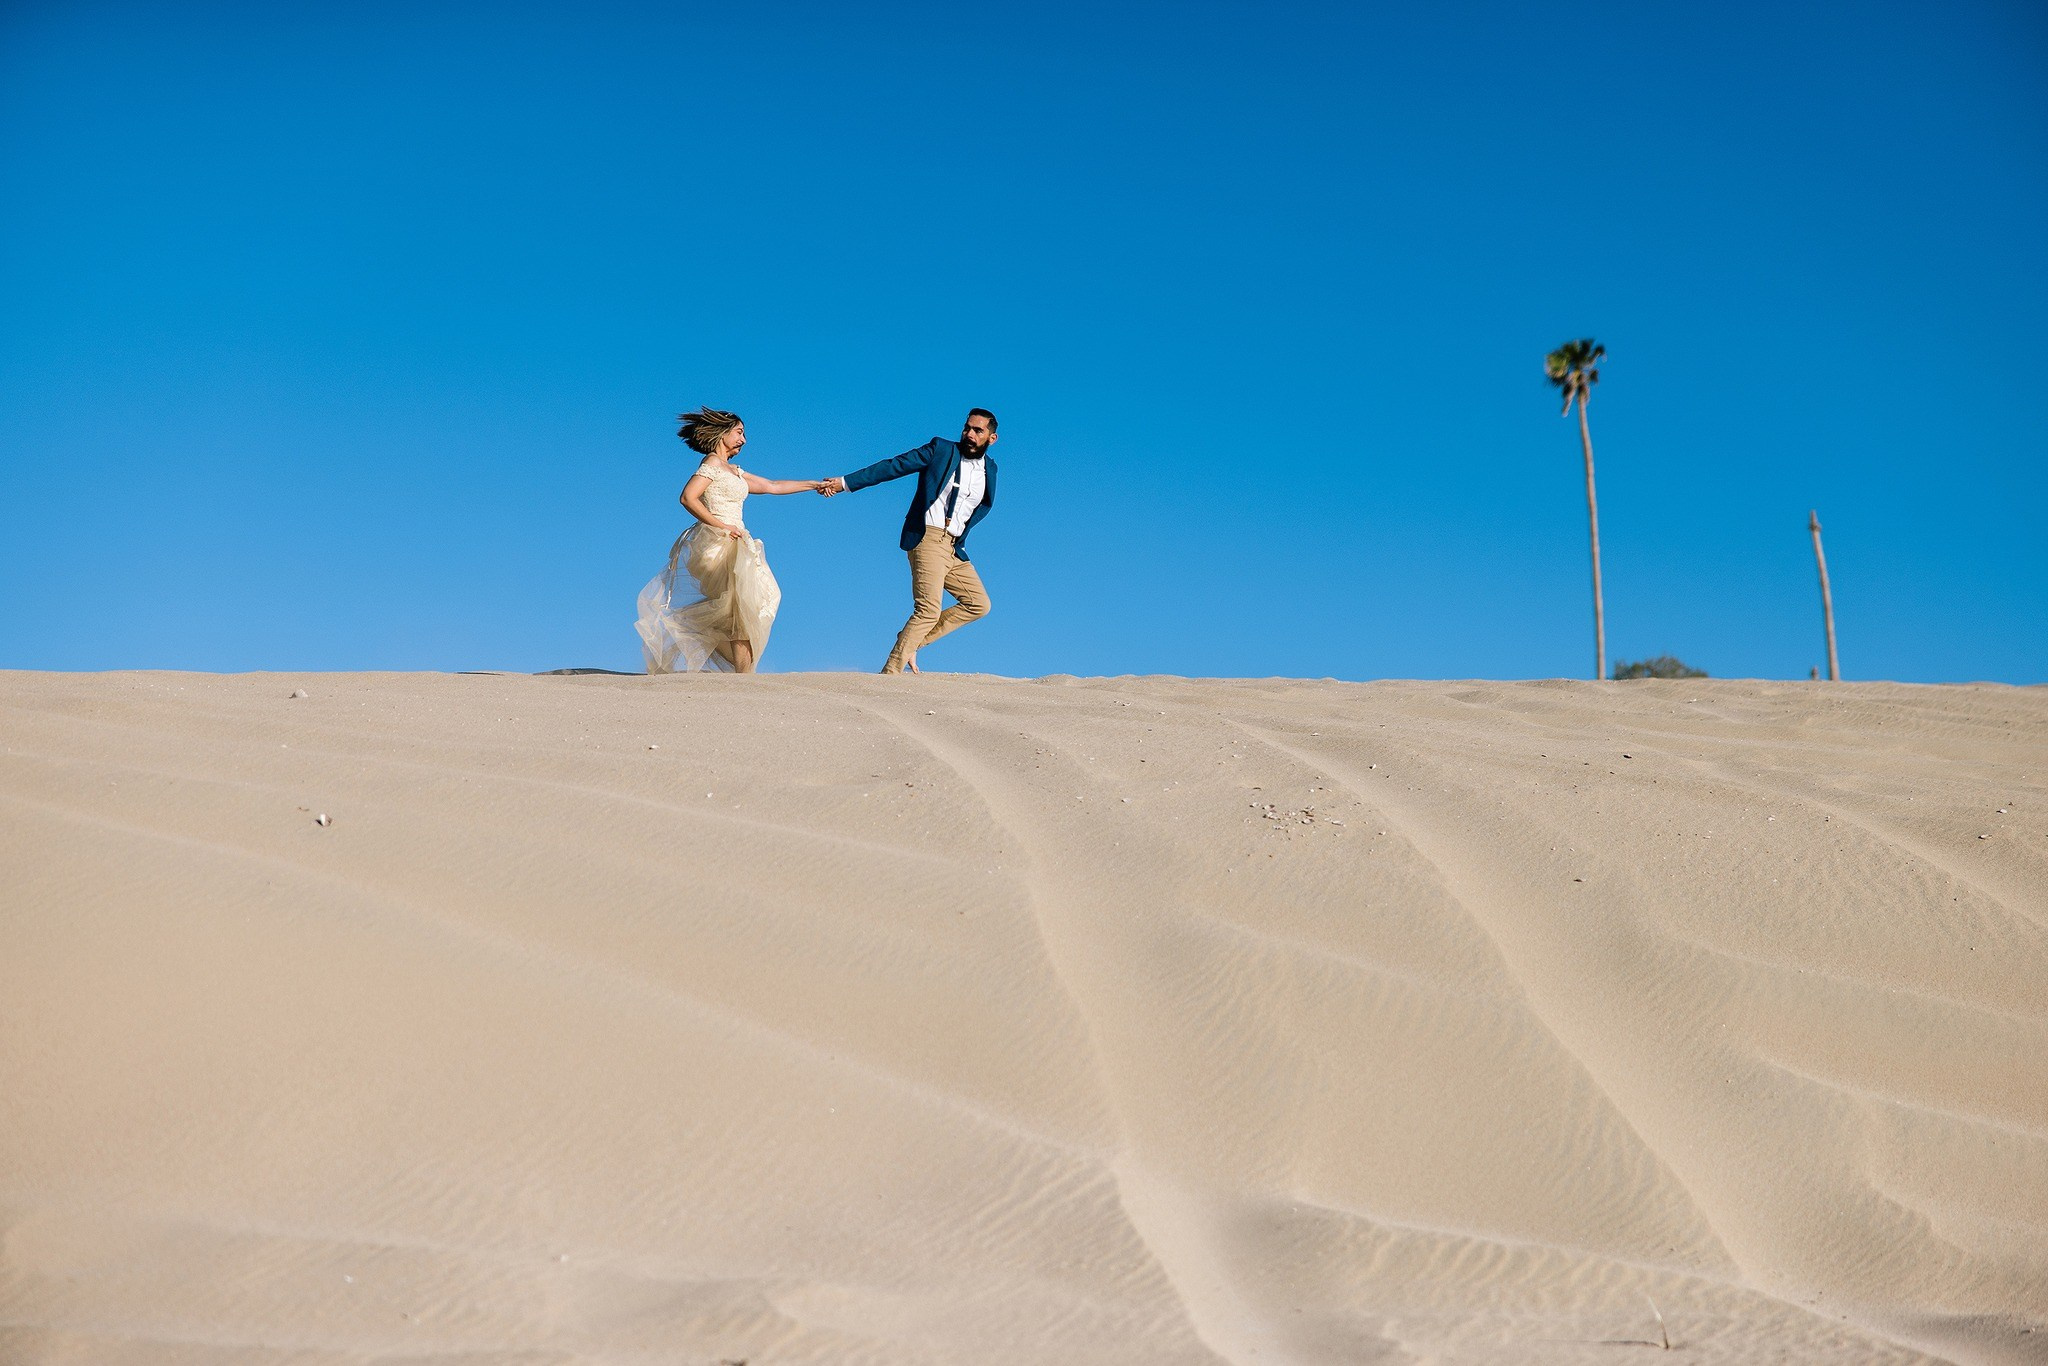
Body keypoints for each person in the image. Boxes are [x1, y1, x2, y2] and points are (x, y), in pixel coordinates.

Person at [636, 407, 827, 674]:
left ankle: (742, 673)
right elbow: (688, 497)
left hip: (737, 541)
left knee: (753, 605)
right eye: (739, 432)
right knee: (739, 610)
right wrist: (721, 525)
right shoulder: (711, 464)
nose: (744, 439)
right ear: (722, 433)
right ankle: (744, 679)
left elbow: (771, 486)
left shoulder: (734, 470)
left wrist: (814, 484)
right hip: (717, 544)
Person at [821, 409, 1000, 674]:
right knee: (928, 609)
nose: (969, 435)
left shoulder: (990, 470)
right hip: (928, 537)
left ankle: (911, 641)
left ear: (991, 438)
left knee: (978, 604)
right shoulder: (941, 450)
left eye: (978, 431)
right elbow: (893, 466)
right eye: (967, 428)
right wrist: (845, 483)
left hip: (953, 548)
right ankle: (890, 674)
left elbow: (980, 508)